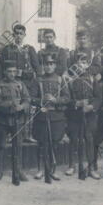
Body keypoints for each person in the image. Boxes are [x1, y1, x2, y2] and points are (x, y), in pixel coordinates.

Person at [29, 53, 70, 182]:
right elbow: (31, 98)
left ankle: (53, 169)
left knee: (55, 143)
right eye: (46, 64)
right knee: (42, 143)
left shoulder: (60, 80)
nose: (48, 66)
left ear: (55, 65)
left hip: (57, 117)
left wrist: (55, 100)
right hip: (42, 116)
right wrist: (41, 101)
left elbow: (67, 98)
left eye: (51, 64)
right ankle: (40, 169)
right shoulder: (37, 80)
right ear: (42, 66)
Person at [0, 23, 39, 143]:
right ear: (13, 35)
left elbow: (36, 68)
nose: (18, 36)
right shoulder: (7, 50)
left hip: (26, 84)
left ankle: (26, 134)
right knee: (10, 106)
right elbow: (1, 67)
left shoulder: (30, 49)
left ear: (25, 35)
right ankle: (9, 134)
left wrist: (24, 74)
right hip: (10, 84)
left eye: (21, 34)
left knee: (26, 109)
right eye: (16, 33)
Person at [66, 52, 101, 179]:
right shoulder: (69, 80)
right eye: (80, 62)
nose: (82, 65)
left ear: (88, 64)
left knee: (89, 139)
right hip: (75, 115)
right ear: (75, 64)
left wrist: (91, 106)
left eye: (85, 62)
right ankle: (72, 165)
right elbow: (66, 98)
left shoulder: (92, 79)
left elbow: (98, 97)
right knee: (74, 139)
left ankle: (91, 168)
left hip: (89, 115)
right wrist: (76, 103)